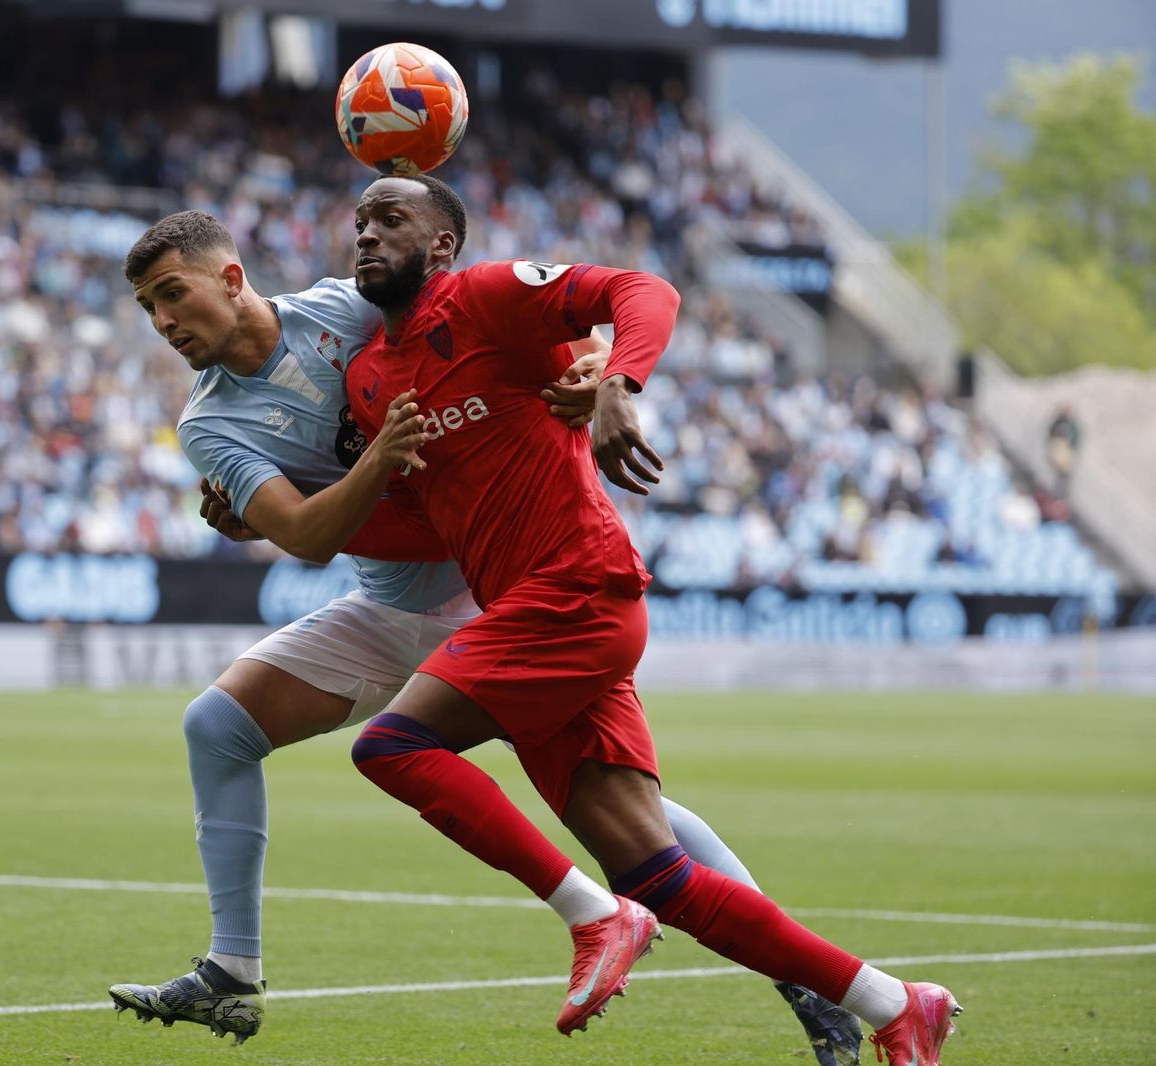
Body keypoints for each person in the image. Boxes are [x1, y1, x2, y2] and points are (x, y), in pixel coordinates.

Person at [107, 210, 862, 1062]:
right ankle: (234, 972)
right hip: (385, 606)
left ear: (233, 279)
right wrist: (347, 478)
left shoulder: (345, 310)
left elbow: (497, 342)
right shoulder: (209, 423)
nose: (165, 322)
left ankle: (802, 979)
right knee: (215, 725)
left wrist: (591, 366)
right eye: (149, 308)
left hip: (495, 593)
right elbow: (312, 535)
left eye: (173, 294)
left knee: (626, 815)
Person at [336, 173, 960, 1064]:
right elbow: (421, 521)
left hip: (576, 586)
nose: (366, 235)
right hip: (534, 613)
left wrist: (618, 383)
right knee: (662, 874)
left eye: (390, 219)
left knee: (389, 747)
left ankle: (591, 919)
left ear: (441, 245)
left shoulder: (484, 297)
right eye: (359, 222)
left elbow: (645, 290)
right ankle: (896, 1004)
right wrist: (282, 515)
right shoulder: (370, 379)